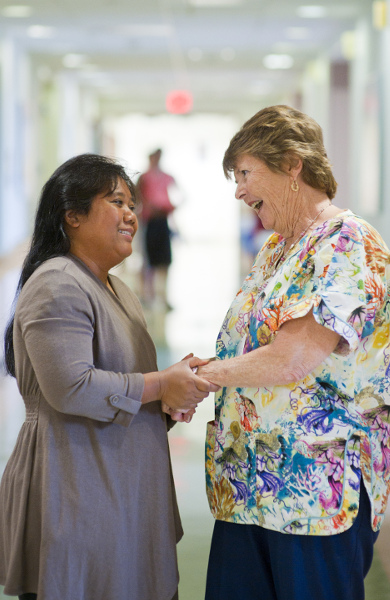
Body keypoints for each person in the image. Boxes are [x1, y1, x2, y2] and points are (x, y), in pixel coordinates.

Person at [0, 154, 216, 600]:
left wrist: (168, 399)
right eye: (116, 201)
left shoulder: (115, 287)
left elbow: (127, 382)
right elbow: (72, 387)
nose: (131, 215)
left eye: (133, 205)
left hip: (123, 486)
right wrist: (159, 384)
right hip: (77, 488)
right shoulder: (57, 283)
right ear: (72, 215)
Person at [198, 105, 390, 600]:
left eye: (244, 173)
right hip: (248, 485)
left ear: (290, 164)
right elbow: (251, 344)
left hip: (313, 496)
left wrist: (203, 378)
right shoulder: (278, 247)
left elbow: (293, 358)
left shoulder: (348, 242)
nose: (238, 190)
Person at [137, 149, 177, 309]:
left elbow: (177, 195)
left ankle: (163, 296)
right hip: (149, 222)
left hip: (162, 221)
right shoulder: (144, 178)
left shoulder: (167, 177)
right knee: (149, 261)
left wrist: (169, 207)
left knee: (165, 261)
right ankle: (147, 295)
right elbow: (139, 198)